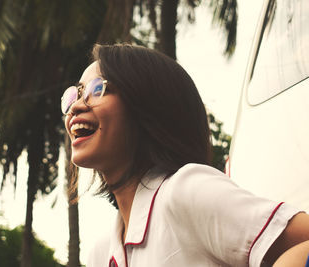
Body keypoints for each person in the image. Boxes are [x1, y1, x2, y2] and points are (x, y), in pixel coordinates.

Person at [61, 43, 309, 267]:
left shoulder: (184, 191)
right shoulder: (100, 254)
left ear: (146, 103)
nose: (75, 107)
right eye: (76, 94)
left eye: (97, 89)